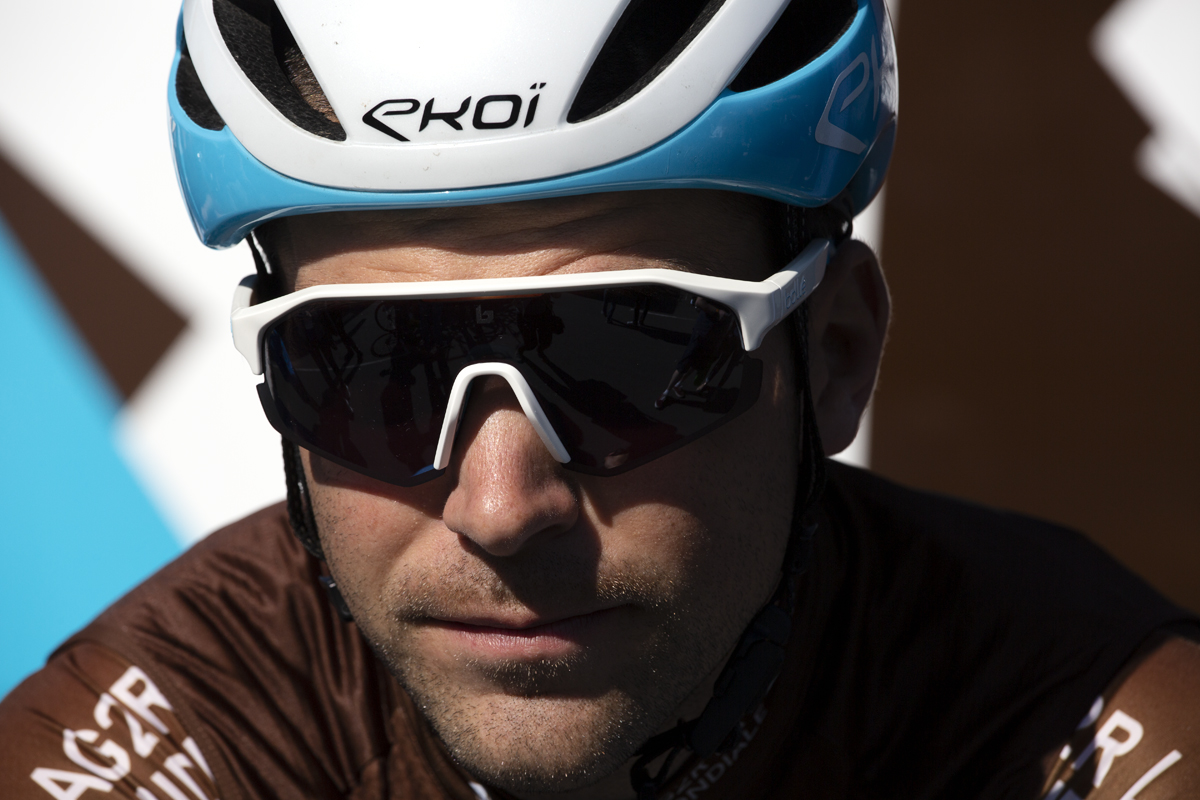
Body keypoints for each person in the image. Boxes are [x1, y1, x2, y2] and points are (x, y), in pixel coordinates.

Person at [3, 1, 1199, 799]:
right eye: (369, 364)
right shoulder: (173, 732)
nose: (500, 502)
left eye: (625, 355)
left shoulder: (1081, 713)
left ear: (833, 353)